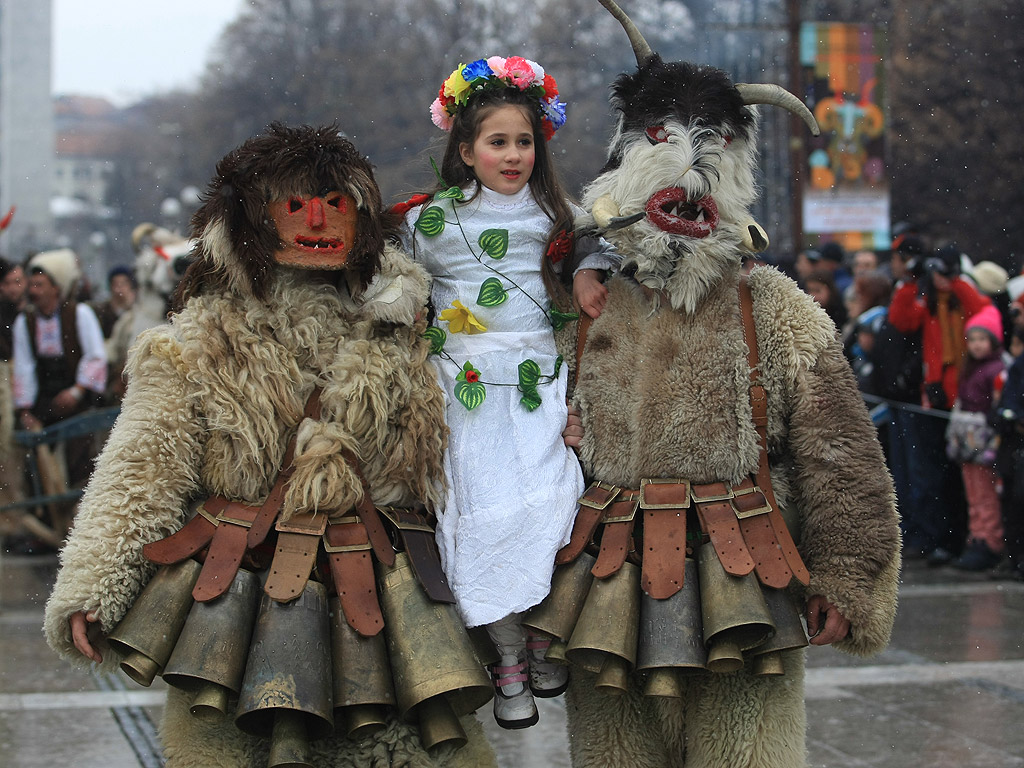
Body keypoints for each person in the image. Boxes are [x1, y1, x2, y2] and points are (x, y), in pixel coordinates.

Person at [43, 124, 497, 768]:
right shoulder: (201, 337)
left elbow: (476, 444)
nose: (316, 221)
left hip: (387, 587)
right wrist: (94, 587)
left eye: (336, 204)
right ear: (253, 219)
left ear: (363, 217)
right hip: (238, 592)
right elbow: (143, 466)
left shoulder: (410, 322)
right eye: (293, 205)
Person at [398, 55, 617, 730]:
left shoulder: (559, 215)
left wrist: (588, 271)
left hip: (537, 383)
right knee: (480, 513)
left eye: (524, 141)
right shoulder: (428, 221)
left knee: (553, 503)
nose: (513, 154)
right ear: (465, 150)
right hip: (462, 391)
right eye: (497, 141)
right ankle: (509, 660)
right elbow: (386, 276)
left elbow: (599, 245)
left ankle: (545, 634)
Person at [887, 241, 989, 563]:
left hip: (959, 400)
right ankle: (934, 537)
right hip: (932, 397)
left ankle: (956, 538)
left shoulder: (960, 298)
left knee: (956, 478)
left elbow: (981, 311)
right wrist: (910, 282)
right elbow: (901, 320)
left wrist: (954, 280)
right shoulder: (927, 300)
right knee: (926, 473)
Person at [11, 249, 107, 487]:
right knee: (41, 461)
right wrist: (25, 410)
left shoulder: (79, 314)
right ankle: (51, 509)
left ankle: (78, 502)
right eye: (31, 285)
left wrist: (77, 391)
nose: (33, 291)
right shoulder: (25, 322)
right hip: (46, 399)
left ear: (56, 288)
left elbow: (96, 356)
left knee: (80, 456)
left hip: (77, 398)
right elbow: (24, 366)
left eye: (40, 285)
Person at [945, 306, 1006, 571]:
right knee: (974, 493)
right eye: (974, 339)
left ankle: (990, 541)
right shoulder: (970, 368)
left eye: (983, 339)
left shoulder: (996, 369)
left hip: (984, 442)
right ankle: (977, 536)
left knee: (986, 493)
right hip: (967, 442)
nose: (978, 345)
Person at [990, 325, 1024, 581]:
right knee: (1013, 501)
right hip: (1014, 446)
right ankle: (1014, 557)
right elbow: (1004, 408)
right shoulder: (1015, 368)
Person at [89, 265, 137, 339]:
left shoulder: (136, 312)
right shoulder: (102, 312)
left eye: (123, 284)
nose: (119, 289)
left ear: (130, 286)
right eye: (115, 284)